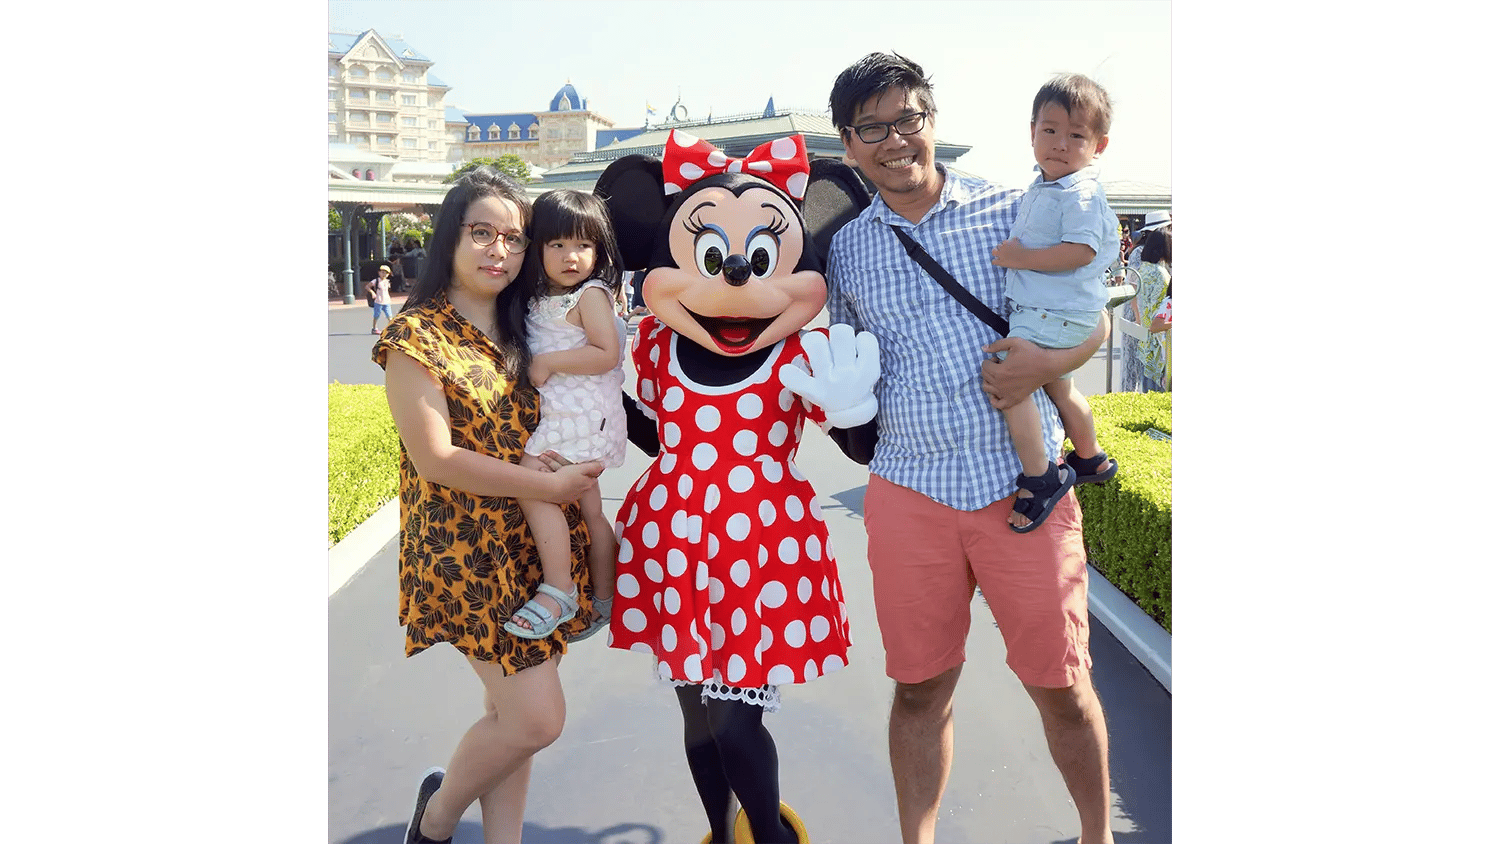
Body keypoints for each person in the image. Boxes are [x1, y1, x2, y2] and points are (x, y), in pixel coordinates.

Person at [825, 52, 1116, 844]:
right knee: (920, 690)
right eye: (872, 128)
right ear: (849, 145)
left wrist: (1047, 364)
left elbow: (1095, 315)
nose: (894, 141)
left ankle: (1098, 836)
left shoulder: (1016, 209)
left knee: (1062, 688)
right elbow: (846, 361)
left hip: (1023, 491)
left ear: (932, 120)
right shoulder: (848, 250)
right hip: (909, 489)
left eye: (907, 119)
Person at [591, 132, 878, 844]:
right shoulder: (657, 346)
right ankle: (720, 833)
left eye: (759, 260)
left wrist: (852, 411)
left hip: (760, 549)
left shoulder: (800, 350)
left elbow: (859, 448)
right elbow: (667, 437)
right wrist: (603, 396)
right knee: (694, 715)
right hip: (674, 542)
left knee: (734, 718)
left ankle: (772, 837)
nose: (738, 280)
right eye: (713, 259)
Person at [371, 166, 606, 844]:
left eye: (513, 238)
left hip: (538, 548)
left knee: (509, 718)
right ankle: (438, 820)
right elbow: (435, 459)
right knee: (537, 719)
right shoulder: (415, 337)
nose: (499, 251)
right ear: (450, 238)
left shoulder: (529, 328)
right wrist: (549, 489)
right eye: (482, 233)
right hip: (465, 554)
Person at [987, 73, 1122, 532]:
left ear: (1098, 145)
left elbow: (1080, 252)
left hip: (1053, 314)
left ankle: (1040, 477)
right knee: (1061, 388)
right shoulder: (1045, 186)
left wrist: (1021, 258)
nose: (1061, 144)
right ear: (1031, 133)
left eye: (1076, 135)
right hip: (1061, 312)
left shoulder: (1079, 192)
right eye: (1050, 131)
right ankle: (1090, 459)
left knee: (1010, 384)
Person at [502, 190, 628, 641]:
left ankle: (559, 590)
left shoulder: (590, 295)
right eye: (557, 245)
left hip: (579, 418)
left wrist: (550, 362)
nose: (571, 256)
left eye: (583, 245)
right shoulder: (543, 295)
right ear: (537, 248)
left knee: (533, 483)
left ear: (599, 250)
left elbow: (606, 353)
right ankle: (606, 599)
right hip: (577, 418)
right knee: (592, 513)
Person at [1133, 224, 1172, 392]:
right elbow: (1164, 309)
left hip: (1145, 338)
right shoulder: (1161, 274)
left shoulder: (1144, 269)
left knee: (1148, 392)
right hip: (1159, 343)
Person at [366, 264, 395, 334]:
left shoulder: (387, 282)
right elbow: (367, 287)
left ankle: (391, 329)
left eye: (386, 273)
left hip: (386, 301)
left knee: (389, 316)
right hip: (378, 301)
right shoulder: (376, 281)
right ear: (379, 273)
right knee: (376, 315)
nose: (384, 274)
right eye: (382, 272)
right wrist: (372, 293)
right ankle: (374, 328)